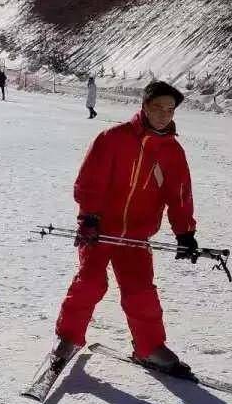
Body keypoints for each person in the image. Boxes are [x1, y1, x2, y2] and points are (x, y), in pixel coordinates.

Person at [48, 81, 198, 377]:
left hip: (136, 235)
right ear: (144, 106)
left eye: (170, 109)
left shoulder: (172, 152)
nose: (164, 115)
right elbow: (90, 181)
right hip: (99, 229)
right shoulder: (113, 138)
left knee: (141, 291)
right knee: (90, 283)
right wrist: (89, 217)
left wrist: (185, 233)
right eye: (158, 107)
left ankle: (149, 348)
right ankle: (68, 337)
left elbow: (179, 194)